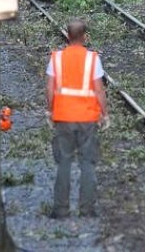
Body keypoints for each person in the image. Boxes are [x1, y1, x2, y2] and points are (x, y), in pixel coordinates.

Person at [46, 20, 108, 219]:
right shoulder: (92, 59)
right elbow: (99, 90)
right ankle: (87, 210)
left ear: (67, 36)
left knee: (63, 162)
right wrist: (104, 113)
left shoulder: (56, 58)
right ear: (85, 37)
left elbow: (49, 88)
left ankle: (61, 210)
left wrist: (51, 110)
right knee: (88, 163)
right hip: (88, 117)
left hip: (63, 116)